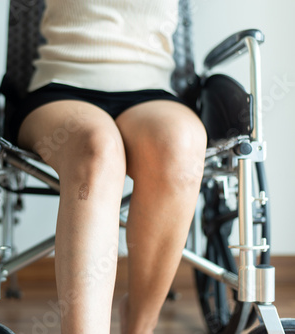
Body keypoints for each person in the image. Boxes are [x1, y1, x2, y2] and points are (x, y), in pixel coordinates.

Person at [13, 0, 207, 333]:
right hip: (61, 86)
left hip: (151, 91)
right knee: (97, 148)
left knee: (181, 142)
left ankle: (139, 323)